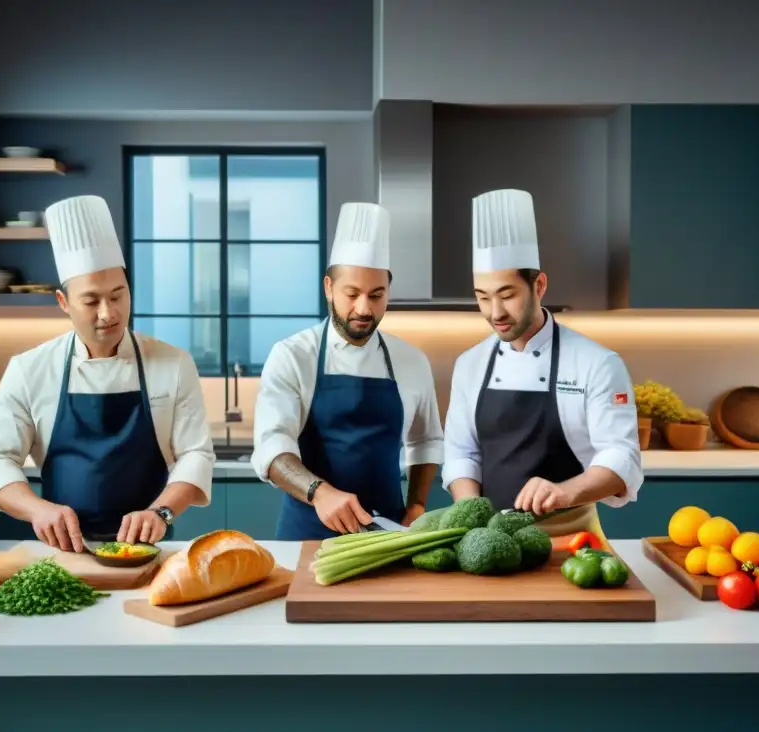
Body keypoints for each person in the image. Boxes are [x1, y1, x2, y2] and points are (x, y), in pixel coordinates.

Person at [0, 195, 215, 551]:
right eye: (91, 301)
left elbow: (195, 454)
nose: (108, 313)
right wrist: (37, 510)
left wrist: (160, 513)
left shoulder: (173, 363)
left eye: (118, 296)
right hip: (59, 549)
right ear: (63, 302)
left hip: (149, 548)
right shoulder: (29, 369)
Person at [442, 188, 643, 542]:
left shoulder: (597, 363)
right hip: (490, 540)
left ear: (540, 285)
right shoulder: (470, 364)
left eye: (507, 295)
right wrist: (473, 517)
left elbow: (621, 455)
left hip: (572, 539)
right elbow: (461, 452)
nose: (495, 312)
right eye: (483, 298)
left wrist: (564, 492)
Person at [251, 202, 443, 540]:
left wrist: (417, 505)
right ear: (328, 287)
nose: (364, 308)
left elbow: (426, 440)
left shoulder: (411, 360)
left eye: (376, 295)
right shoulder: (293, 355)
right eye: (351, 294)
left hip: (388, 535)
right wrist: (319, 492)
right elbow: (272, 447)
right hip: (306, 535)